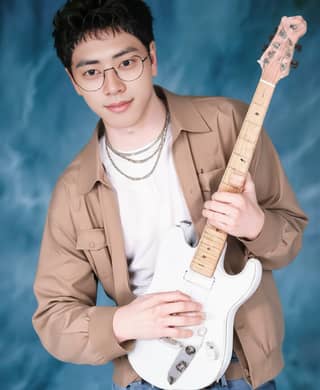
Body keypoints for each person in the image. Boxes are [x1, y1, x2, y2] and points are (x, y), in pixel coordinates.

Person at [32, 1, 308, 389]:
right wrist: (123, 322)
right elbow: (53, 318)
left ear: (152, 58)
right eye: (91, 72)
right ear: (74, 81)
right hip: (149, 373)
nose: (111, 87)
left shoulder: (227, 124)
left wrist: (255, 224)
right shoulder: (73, 192)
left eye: (126, 63)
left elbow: (290, 240)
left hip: (242, 369)